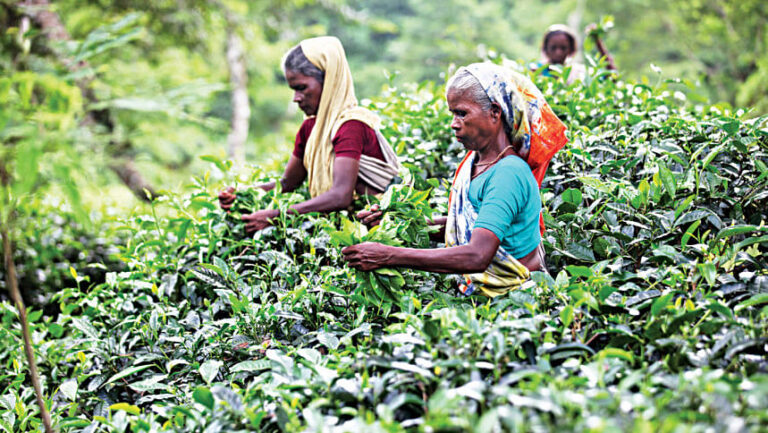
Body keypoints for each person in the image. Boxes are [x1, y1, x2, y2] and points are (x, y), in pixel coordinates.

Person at [342, 63, 567, 298]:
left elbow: (477, 254)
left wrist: (387, 254)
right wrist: (398, 223)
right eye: (452, 114)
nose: (454, 124)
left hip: (518, 302)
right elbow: (472, 225)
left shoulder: (508, 173)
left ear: (494, 112)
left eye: (462, 113)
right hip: (480, 295)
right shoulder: (475, 161)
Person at [218, 36, 400, 233]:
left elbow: (341, 196)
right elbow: (288, 183)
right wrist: (243, 194)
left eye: (302, 88)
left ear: (329, 81)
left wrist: (276, 216)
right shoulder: (310, 128)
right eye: (293, 90)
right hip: (336, 231)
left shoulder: (351, 125)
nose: (296, 98)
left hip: (377, 229)